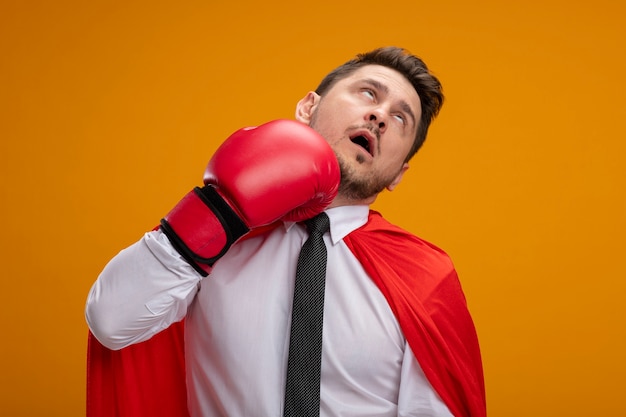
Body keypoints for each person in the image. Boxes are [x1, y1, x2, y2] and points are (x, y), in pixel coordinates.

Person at [85, 46, 486, 417]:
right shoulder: (221, 235)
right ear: (307, 107)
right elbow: (111, 321)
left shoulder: (425, 276)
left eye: (401, 118)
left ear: (398, 174)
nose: (380, 116)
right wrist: (217, 211)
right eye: (368, 93)